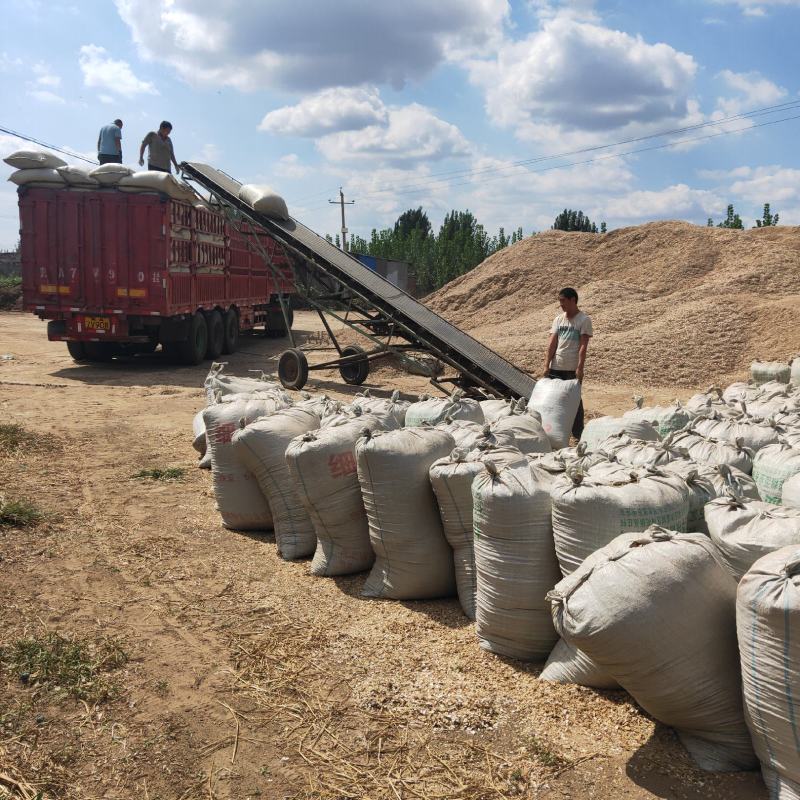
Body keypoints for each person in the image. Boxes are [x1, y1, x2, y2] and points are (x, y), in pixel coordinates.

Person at [542, 287, 593, 439]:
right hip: (556, 366)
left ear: (573, 300)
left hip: (572, 368)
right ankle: (552, 432)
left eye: (563, 301)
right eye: (560, 301)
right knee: (554, 399)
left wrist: (580, 367)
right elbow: (552, 343)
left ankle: (578, 435)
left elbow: (583, 346)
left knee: (574, 401)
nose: (561, 304)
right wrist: (546, 365)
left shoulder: (583, 320)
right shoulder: (558, 319)